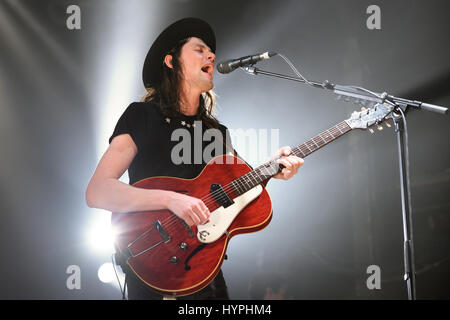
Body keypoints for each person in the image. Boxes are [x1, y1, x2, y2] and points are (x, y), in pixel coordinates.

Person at [85, 17, 304, 300]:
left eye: (210, 51)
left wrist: (272, 169)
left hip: (204, 270)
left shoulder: (216, 132)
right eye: (199, 49)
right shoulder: (142, 116)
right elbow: (97, 191)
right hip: (154, 264)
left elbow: (239, 195)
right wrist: (171, 199)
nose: (211, 55)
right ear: (171, 61)